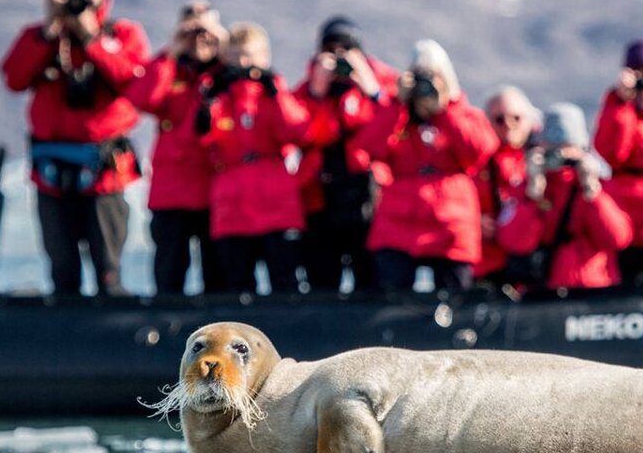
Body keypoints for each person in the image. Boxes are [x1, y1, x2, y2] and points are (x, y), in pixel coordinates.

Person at [0, 0, 150, 296]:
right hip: (51, 175)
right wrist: (48, 30)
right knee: (62, 269)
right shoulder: (42, 37)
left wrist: (92, 37)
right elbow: (14, 78)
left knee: (108, 269)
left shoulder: (122, 34)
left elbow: (134, 82)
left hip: (104, 173)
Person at [353, 40, 498, 293]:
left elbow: (479, 151)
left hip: (451, 222)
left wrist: (444, 110)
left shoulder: (463, 114)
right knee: (390, 292)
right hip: (399, 221)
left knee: (456, 294)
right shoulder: (398, 115)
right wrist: (398, 103)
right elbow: (371, 147)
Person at [199, 23, 310, 294]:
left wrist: (276, 93)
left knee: (285, 283)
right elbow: (204, 139)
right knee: (236, 285)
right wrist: (209, 100)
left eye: (248, 56)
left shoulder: (275, 93)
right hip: (233, 205)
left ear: (264, 57)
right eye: (235, 56)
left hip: (276, 203)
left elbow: (299, 132)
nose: (242, 63)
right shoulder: (218, 95)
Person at [128, 0, 228, 295]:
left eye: (205, 28)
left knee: (218, 276)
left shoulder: (227, 73)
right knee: (169, 274)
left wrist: (222, 42)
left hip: (215, 190)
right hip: (172, 192)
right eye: (191, 28)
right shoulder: (169, 70)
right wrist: (172, 50)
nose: (199, 37)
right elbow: (141, 99)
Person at [294, 17, 398, 292]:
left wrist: (372, 90)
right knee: (321, 279)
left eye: (347, 49)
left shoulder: (385, 84)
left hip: (368, 197)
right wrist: (317, 91)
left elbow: (394, 130)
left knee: (371, 277)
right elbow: (298, 133)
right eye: (331, 49)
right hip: (320, 198)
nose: (339, 57)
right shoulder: (307, 91)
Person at [496, 103, 633, 290]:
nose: (561, 156)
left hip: (593, 290)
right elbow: (513, 242)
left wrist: (592, 192)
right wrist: (533, 195)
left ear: (583, 150)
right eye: (553, 148)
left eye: (568, 147)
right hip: (543, 291)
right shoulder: (527, 187)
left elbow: (618, 238)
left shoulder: (601, 185)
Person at [592, 38, 643, 284]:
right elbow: (613, 152)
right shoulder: (618, 107)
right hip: (626, 220)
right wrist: (622, 104)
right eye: (638, 75)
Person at [475, 86, 541, 286]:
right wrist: (474, 222)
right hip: (487, 264)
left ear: (529, 120)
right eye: (499, 119)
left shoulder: (542, 161)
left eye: (516, 118)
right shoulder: (474, 161)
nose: (508, 125)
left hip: (533, 263)